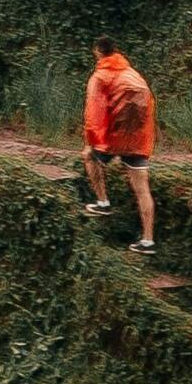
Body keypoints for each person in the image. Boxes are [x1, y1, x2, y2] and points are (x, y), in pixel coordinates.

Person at [80, 40, 157, 250]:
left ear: (97, 52)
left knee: (88, 157)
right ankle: (148, 240)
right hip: (138, 138)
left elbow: (94, 114)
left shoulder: (100, 77)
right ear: (117, 51)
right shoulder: (133, 74)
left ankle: (103, 202)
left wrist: (92, 143)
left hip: (114, 137)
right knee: (142, 189)